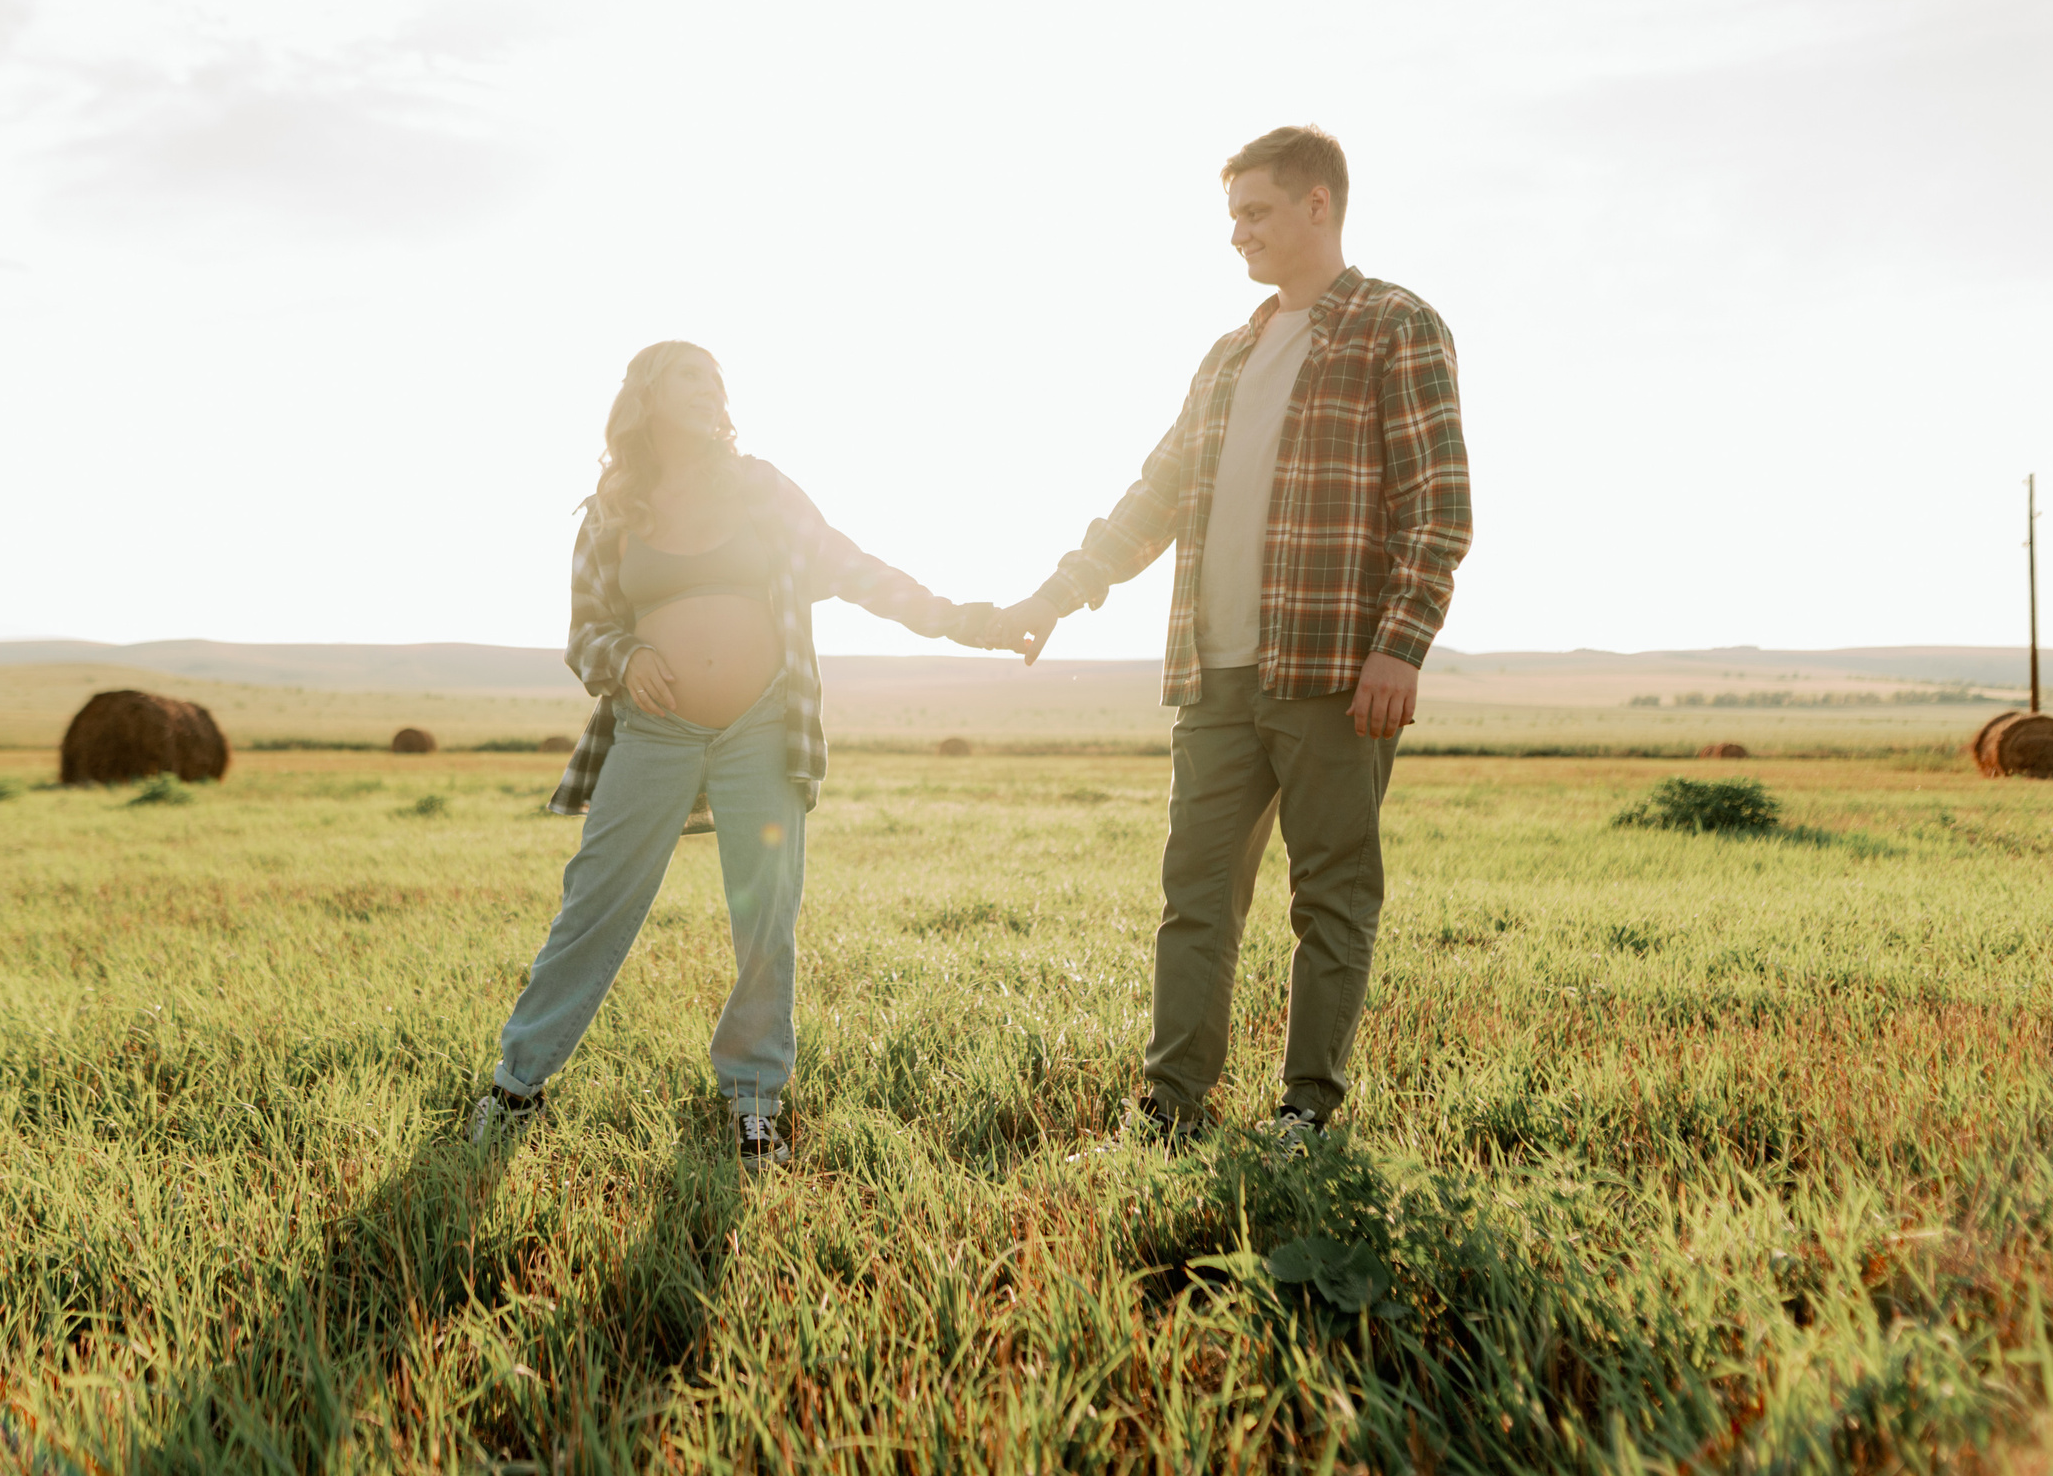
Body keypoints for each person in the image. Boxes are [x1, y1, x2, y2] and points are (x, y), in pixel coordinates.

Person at [983, 124, 1471, 1147]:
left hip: (1334, 673)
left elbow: (1438, 503)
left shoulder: (1395, 326)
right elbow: (1151, 497)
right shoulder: (1227, 355)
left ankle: (1305, 1110)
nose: (1238, 235)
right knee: (1194, 900)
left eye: (1255, 212)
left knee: (1329, 900)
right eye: (1232, 216)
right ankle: (1169, 1109)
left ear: (1317, 206)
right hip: (1214, 678)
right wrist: (1055, 595)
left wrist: (1401, 644)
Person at [473, 341, 993, 1169]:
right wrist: (626, 657)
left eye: (715, 376)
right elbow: (584, 635)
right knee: (593, 905)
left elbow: (852, 569)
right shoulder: (612, 511)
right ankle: (516, 1083)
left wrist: (963, 620)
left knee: (765, 919)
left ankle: (755, 1099)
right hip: (654, 730)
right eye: (688, 373)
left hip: (763, 725)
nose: (708, 386)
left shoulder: (761, 489)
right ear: (645, 396)